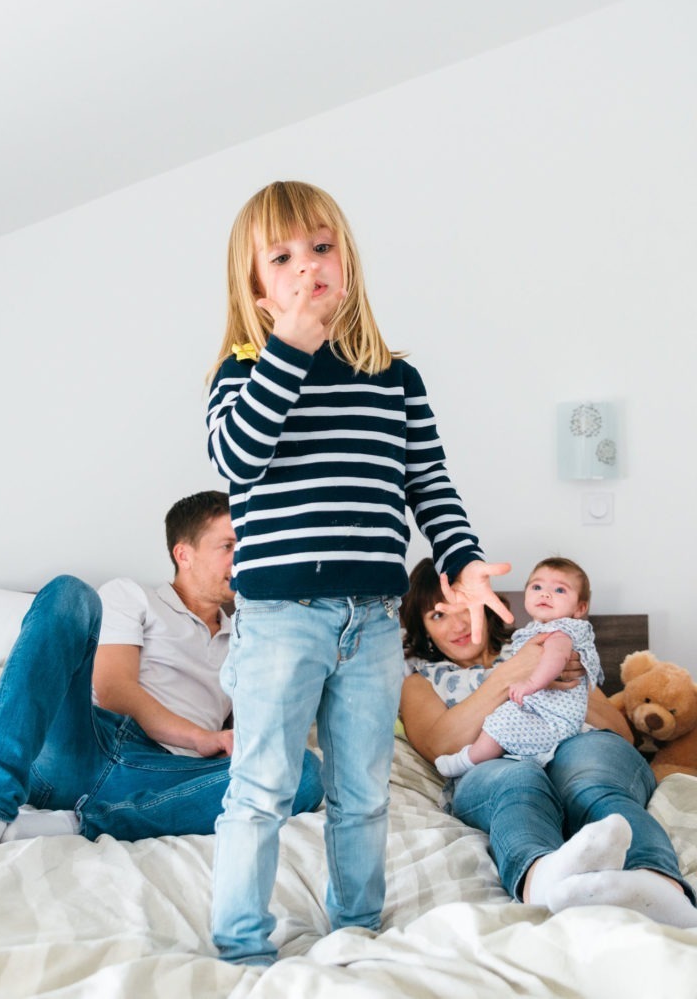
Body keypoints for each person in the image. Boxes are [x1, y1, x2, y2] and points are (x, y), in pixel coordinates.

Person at [206, 179, 514, 965]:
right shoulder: (244, 373)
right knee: (262, 788)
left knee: (364, 792)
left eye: (321, 245)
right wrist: (289, 350)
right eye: (282, 256)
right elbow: (236, 459)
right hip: (280, 618)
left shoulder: (394, 380)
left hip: (374, 620)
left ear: (346, 258)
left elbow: (430, 485)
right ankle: (241, 944)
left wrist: (464, 563)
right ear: (256, 287)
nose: (308, 265)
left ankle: (355, 929)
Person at [0, 491, 324, 864]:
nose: (241, 560)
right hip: (87, 744)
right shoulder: (134, 596)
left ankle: (72, 824)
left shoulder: (248, 637)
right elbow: (116, 690)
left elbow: (261, 731)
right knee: (70, 593)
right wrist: (202, 737)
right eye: (228, 546)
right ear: (183, 554)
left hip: (165, 779)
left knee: (304, 772)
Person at [400, 557, 697, 928]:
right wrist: (512, 674)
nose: (458, 624)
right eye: (438, 615)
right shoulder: (419, 681)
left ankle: (662, 888)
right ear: (422, 626)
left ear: (488, 604)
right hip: (493, 766)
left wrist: (559, 677)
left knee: (590, 781)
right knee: (517, 782)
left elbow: (620, 732)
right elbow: (438, 744)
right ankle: (540, 879)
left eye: (466, 608)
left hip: (578, 748)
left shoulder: (546, 641)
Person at [435, 557, 601, 777]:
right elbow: (432, 745)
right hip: (540, 722)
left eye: (560, 590)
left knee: (503, 724)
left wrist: (531, 682)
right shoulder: (420, 679)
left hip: (554, 721)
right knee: (505, 727)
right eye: (537, 587)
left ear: (580, 608)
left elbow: (556, 656)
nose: (545, 594)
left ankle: (469, 759)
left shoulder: (561, 630)